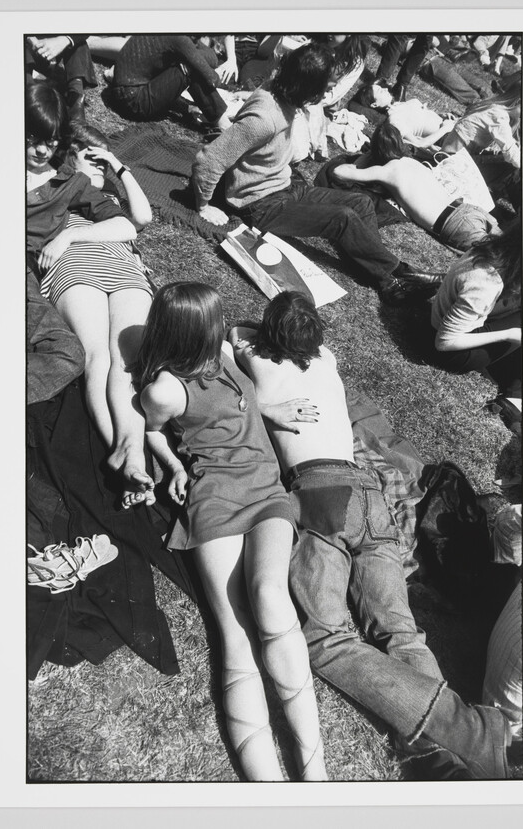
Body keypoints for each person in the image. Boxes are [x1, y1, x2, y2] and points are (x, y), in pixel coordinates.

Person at [229, 291, 513, 780]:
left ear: (269, 335)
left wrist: (264, 392)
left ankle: (466, 731)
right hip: (370, 492)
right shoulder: (326, 357)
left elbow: (232, 330)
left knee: (325, 639)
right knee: (399, 630)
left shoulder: (254, 358)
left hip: (320, 496)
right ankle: (437, 754)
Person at [133, 282, 327, 782]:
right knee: (234, 630)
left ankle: (315, 770)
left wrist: (270, 412)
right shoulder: (165, 388)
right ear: (190, 333)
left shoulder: (220, 354)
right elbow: (153, 428)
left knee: (268, 595)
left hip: (265, 490)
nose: (224, 327)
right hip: (214, 497)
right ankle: (269, 786)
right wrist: (173, 465)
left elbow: (235, 404)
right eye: (214, 321)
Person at [192, 43, 416, 302]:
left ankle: (379, 272)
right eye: (327, 88)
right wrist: (203, 205)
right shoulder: (263, 119)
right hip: (261, 205)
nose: (329, 94)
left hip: (285, 185)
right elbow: (209, 160)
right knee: (342, 218)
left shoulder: (280, 89)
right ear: (308, 87)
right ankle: (399, 274)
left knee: (362, 202)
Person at [25, 82, 155, 503]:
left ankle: (132, 450)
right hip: (67, 273)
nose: (42, 151)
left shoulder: (70, 181)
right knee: (96, 354)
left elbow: (135, 222)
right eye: (32, 141)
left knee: (128, 356)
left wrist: (117, 166)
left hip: (115, 267)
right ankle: (120, 447)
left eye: (49, 142)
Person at [330, 122, 500, 252]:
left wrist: (367, 156)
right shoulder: (411, 161)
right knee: (512, 248)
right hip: (468, 209)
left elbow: (339, 172)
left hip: (452, 223)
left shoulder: (386, 171)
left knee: (497, 260)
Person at [429, 220, 522, 434]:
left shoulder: (494, 252)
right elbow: (444, 342)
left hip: (465, 326)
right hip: (455, 353)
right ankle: (515, 395)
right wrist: (508, 334)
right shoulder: (486, 282)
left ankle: (515, 392)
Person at [109, 34, 231, 133]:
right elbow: (212, 76)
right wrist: (194, 57)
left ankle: (214, 118)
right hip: (134, 102)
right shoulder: (179, 39)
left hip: (123, 93)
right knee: (191, 68)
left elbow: (211, 57)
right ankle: (223, 124)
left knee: (188, 62)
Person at [440, 84, 521, 206]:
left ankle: (496, 192)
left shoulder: (494, 107)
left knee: (505, 159)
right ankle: (497, 194)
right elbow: (510, 152)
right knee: (508, 164)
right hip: (450, 162)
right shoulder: (499, 115)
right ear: (518, 102)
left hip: (450, 154)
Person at [355, 80, 458, 149]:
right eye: (380, 91)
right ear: (374, 104)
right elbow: (419, 144)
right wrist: (445, 128)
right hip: (448, 137)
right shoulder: (394, 120)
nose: (386, 89)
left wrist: (441, 115)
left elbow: (421, 119)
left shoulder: (402, 104)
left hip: (454, 125)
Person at [25, 35, 97, 121]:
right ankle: (32, 96)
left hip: (52, 47)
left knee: (79, 42)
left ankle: (76, 103)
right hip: (28, 48)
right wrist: (30, 37)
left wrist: (65, 40)